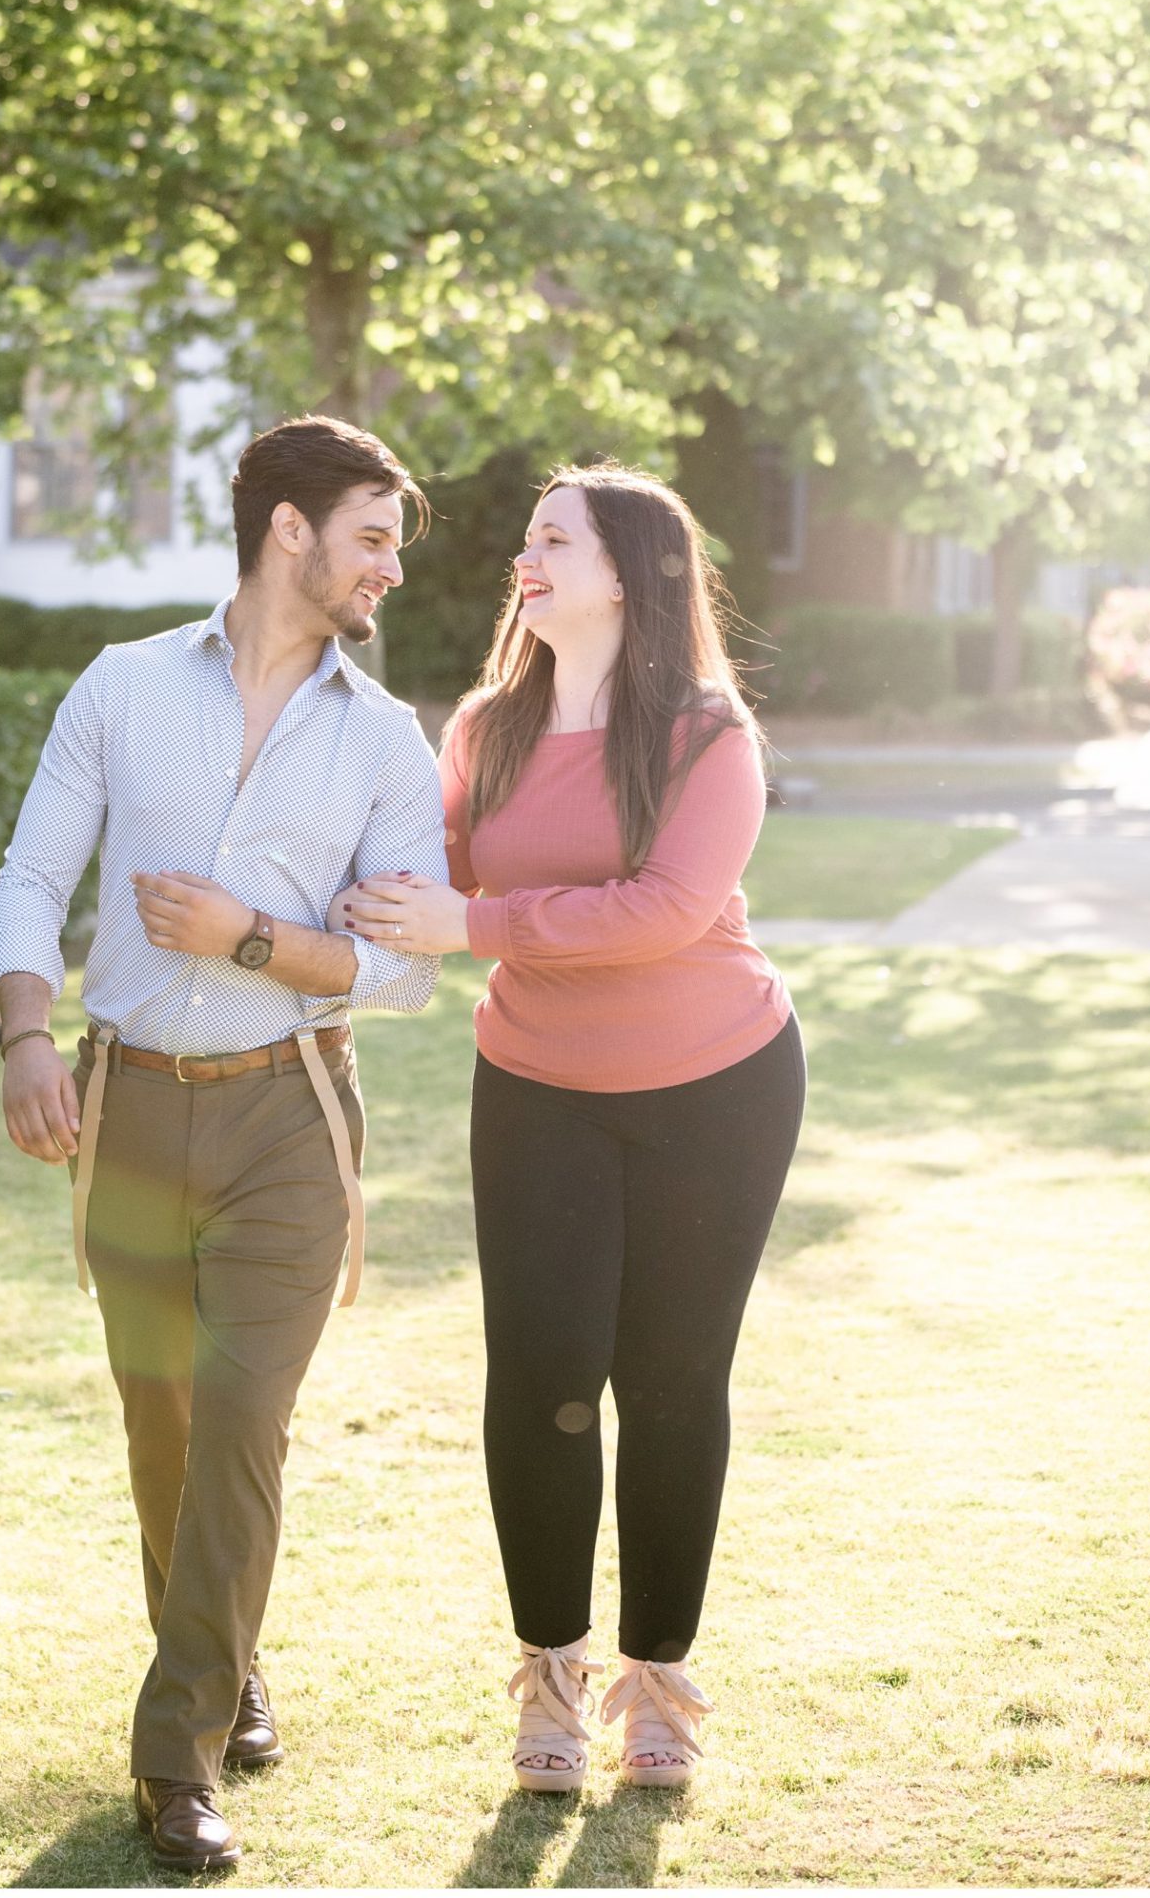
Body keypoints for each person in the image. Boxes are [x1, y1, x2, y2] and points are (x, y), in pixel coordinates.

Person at [0, 416, 447, 1873]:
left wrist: (252, 937)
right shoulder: (121, 688)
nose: (391, 570)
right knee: (162, 1421)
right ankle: (228, 1668)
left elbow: (406, 965)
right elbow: (33, 876)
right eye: (374, 536)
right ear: (288, 532)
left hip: (292, 1114)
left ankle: (174, 1763)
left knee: (244, 1423)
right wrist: (28, 1034)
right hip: (128, 1106)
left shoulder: (385, 738)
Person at [332, 461, 801, 1795]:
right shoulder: (486, 726)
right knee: (539, 1385)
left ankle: (659, 1687)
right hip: (537, 1088)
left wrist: (472, 927)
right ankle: (550, 1679)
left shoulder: (710, 734)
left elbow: (660, 909)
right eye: (526, 539)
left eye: (555, 537)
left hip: (717, 1084)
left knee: (669, 1386)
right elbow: (418, 877)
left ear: (632, 570)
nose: (525, 557)